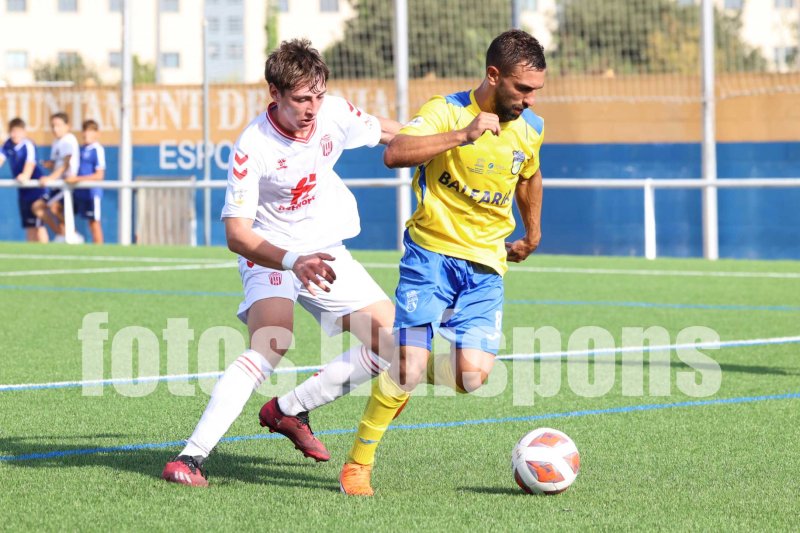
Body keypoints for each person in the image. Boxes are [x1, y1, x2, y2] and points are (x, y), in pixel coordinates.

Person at [161, 39, 405, 487]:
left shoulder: (332, 112)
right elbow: (237, 234)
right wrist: (294, 261)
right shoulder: (252, 145)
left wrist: (446, 141)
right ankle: (191, 457)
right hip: (271, 251)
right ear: (274, 93)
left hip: (325, 249)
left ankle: (289, 409)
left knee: (398, 347)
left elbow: (389, 132)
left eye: (318, 95)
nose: (312, 108)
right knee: (272, 341)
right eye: (300, 99)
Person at [339, 29, 547, 496]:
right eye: (523, 89)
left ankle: (402, 373)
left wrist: (532, 233)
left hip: (485, 268)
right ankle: (357, 465)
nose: (530, 100)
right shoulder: (445, 111)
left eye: (536, 90)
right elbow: (395, 153)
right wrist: (463, 134)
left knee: (472, 377)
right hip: (429, 257)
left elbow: (530, 175)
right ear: (494, 76)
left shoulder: (531, 128)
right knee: (411, 366)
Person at [0, 118, 49, 242]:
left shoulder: (28, 145)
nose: (15, 134)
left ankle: (50, 249)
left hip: (36, 189)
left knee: (39, 225)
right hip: (23, 191)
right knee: (29, 225)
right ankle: (32, 255)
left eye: (18, 131)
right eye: (13, 131)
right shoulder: (8, 145)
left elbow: (30, 164)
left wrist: (25, 175)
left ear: (23, 132)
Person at [33, 112, 80, 239]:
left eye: (58, 125)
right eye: (53, 125)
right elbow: (57, 164)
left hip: (66, 184)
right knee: (38, 207)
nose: (55, 129)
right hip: (57, 184)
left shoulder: (68, 140)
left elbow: (66, 164)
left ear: (67, 126)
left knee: (54, 207)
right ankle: (61, 234)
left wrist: (50, 178)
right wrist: (50, 165)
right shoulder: (56, 142)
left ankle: (73, 234)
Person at [65, 120, 106, 244]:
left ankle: (100, 253)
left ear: (97, 133)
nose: (86, 134)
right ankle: (73, 236)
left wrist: (76, 180)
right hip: (78, 192)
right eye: (85, 131)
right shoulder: (80, 149)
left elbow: (99, 175)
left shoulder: (97, 149)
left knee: (94, 222)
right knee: (59, 210)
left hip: (91, 193)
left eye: (90, 131)